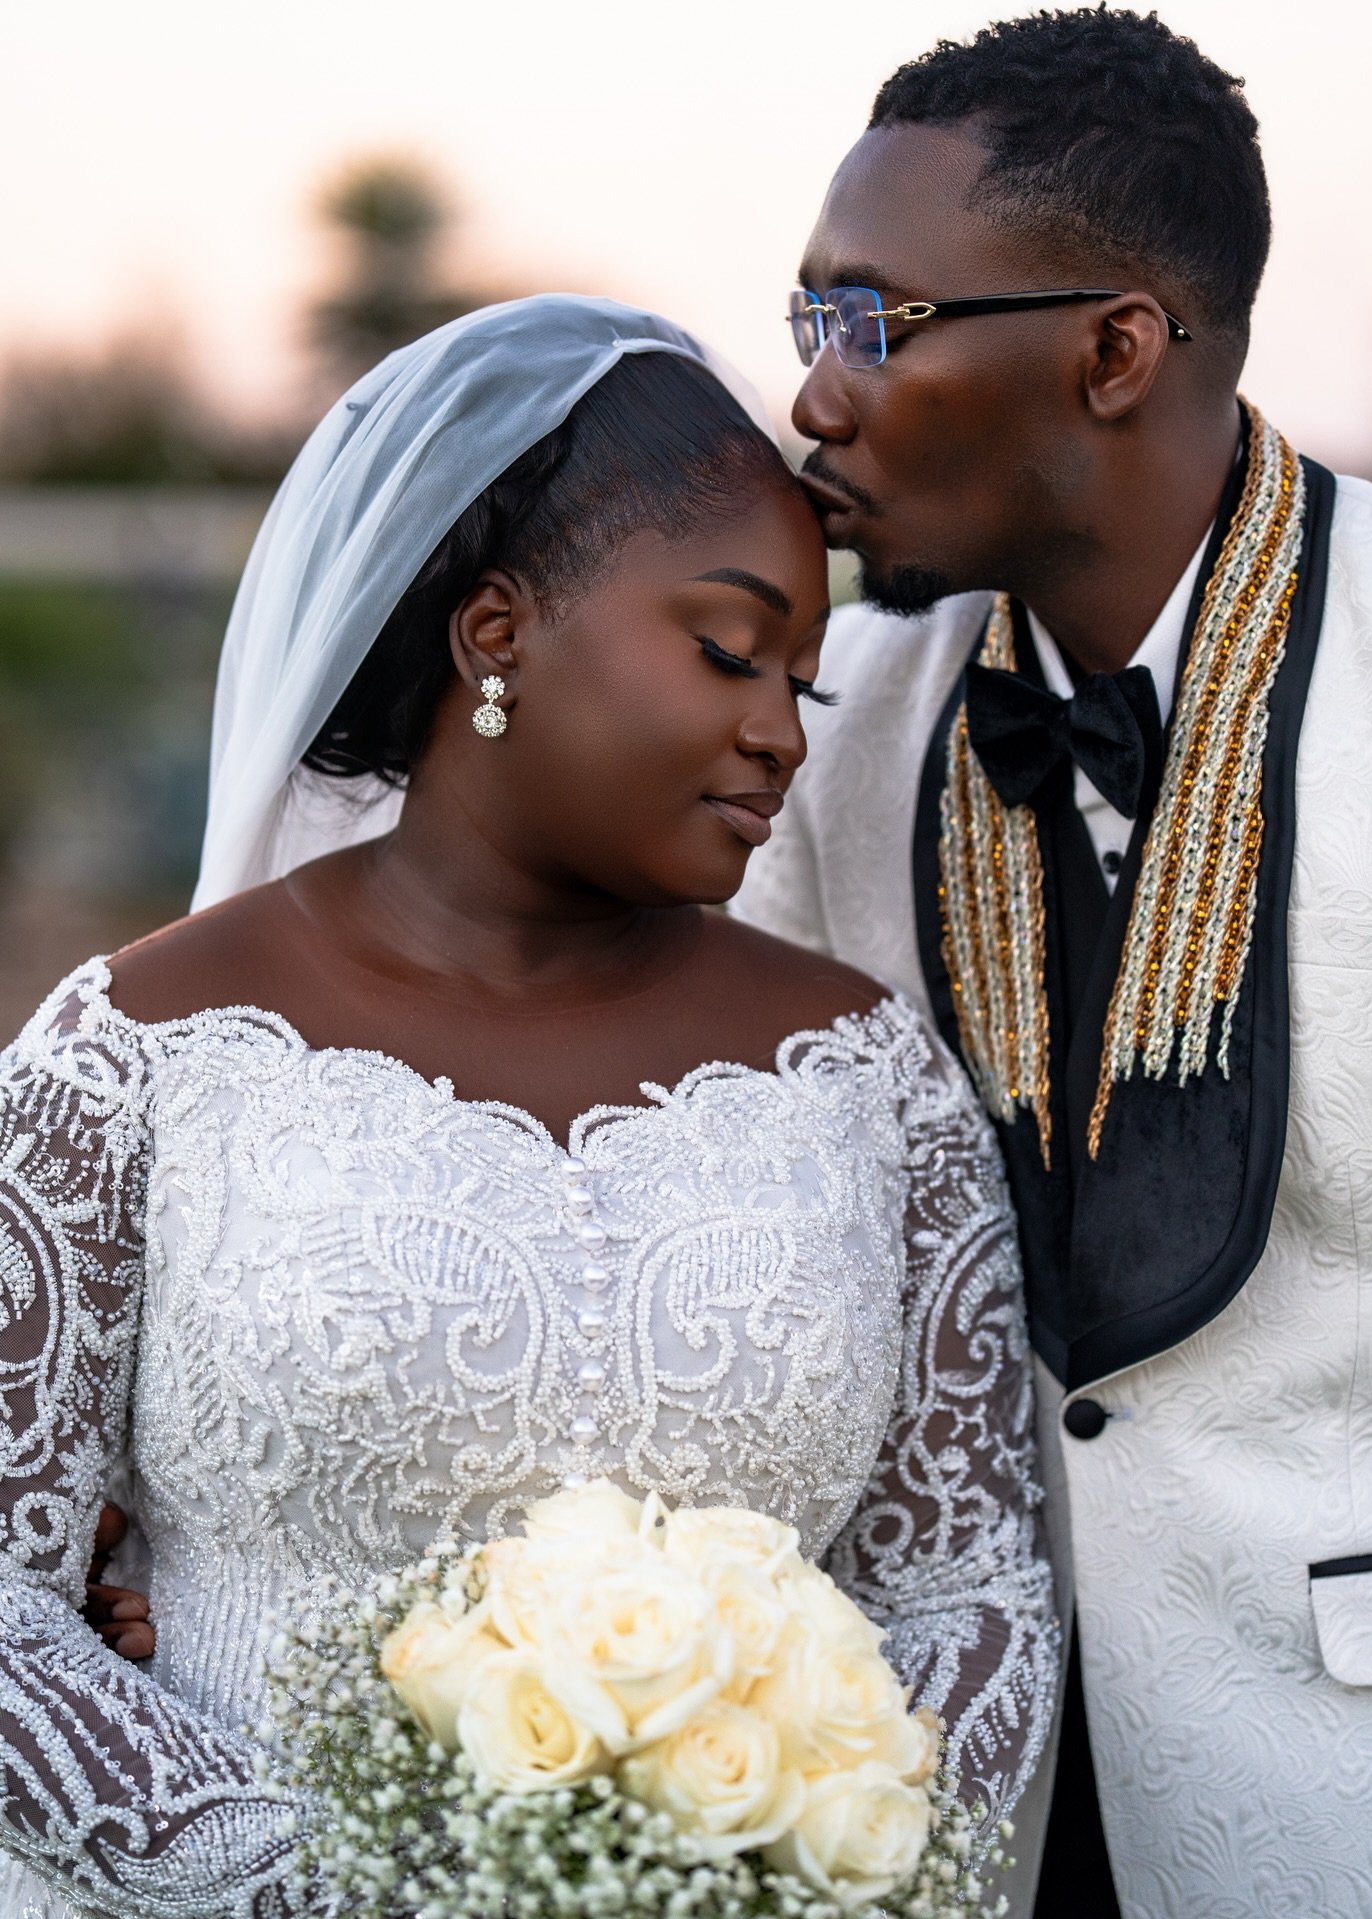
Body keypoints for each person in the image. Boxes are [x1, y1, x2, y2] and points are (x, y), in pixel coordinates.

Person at [0, 295, 1057, 1918]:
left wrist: (807, 1886)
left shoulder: (872, 1084)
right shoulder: (135, 1053)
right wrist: (324, 1897)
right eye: (726, 648)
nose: (777, 731)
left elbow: (969, 1590)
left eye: (805, 679)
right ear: (495, 631)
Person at [734, 12, 1372, 1918]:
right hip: (943, 1796)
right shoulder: (829, 724)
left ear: (1115, 349)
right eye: (807, 321)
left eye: (871, 322)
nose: (814, 397)